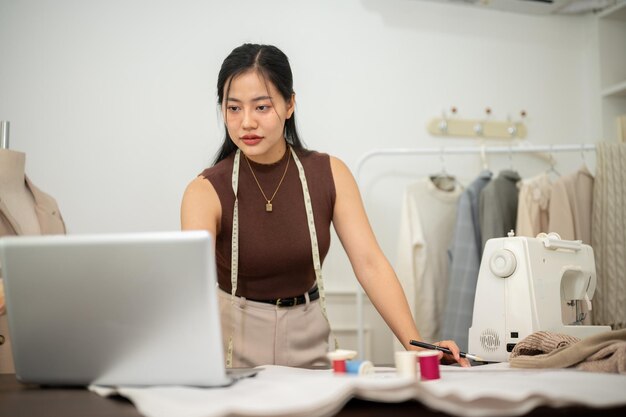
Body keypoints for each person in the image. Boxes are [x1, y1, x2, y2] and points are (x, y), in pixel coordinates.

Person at [181, 43, 469, 368]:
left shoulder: (330, 174)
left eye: (261, 107)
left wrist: (417, 347)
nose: (246, 122)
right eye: (234, 108)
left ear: (289, 104)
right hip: (233, 344)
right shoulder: (204, 191)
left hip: (309, 339)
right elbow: (193, 288)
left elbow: (370, 264)